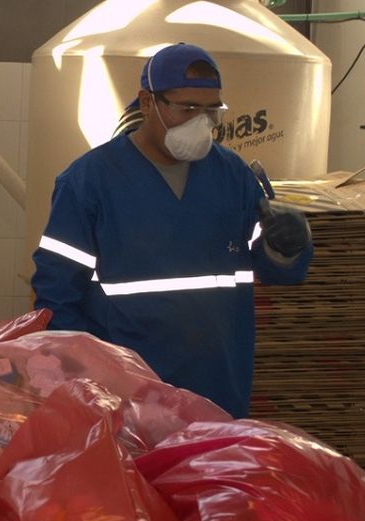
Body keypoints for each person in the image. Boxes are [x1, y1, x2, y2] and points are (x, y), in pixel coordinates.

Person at [31, 42, 313, 418]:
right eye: (187, 109)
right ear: (147, 103)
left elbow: (274, 267)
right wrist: (82, 380)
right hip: (128, 390)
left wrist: (288, 246)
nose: (202, 121)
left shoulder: (232, 176)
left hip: (218, 384)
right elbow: (57, 293)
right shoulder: (90, 182)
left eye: (212, 110)